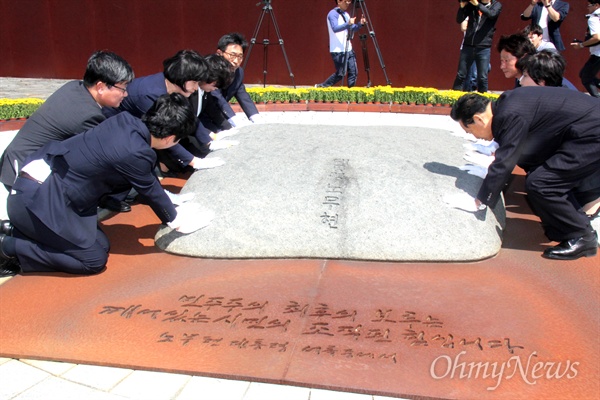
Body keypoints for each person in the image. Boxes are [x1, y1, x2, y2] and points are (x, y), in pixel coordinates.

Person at [0, 93, 211, 277]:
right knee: (92, 260)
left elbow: (147, 180)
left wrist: (172, 203)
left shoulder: (125, 121)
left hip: (47, 189)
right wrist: (177, 221)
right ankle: (8, 247)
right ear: (170, 138)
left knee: (102, 244)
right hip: (37, 201)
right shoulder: (136, 152)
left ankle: (14, 230)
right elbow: (150, 191)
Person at [448, 89, 600, 260]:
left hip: (592, 133)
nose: (473, 136)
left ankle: (582, 236)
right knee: (538, 171)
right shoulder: (506, 104)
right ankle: (565, 226)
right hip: (584, 128)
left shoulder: (510, 115)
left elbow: (505, 162)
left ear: (478, 119)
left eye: (469, 131)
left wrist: (478, 201)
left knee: (541, 183)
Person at [0, 51, 134, 193]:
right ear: (100, 87)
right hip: (26, 173)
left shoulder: (75, 87)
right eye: (123, 88)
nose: (125, 94)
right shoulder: (88, 115)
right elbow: (105, 152)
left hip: (17, 158)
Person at [107, 50, 234, 174]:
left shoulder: (176, 87)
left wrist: (209, 141)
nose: (196, 88)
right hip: (118, 130)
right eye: (194, 82)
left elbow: (189, 115)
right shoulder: (150, 96)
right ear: (182, 77)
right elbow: (165, 135)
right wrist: (195, 162)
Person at [199, 32, 263, 132]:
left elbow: (242, 94)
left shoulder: (238, 72)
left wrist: (255, 117)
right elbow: (217, 96)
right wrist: (234, 119)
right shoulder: (210, 69)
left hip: (220, 116)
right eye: (232, 55)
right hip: (203, 116)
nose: (236, 61)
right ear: (219, 53)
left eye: (240, 56)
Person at [452, 0, 502, 93]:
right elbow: (459, 19)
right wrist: (462, 7)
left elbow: (491, 14)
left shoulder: (496, 5)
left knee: (482, 77)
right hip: (468, 45)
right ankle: (454, 99)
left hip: (483, 47)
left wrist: (477, 5)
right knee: (461, 74)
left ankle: (482, 100)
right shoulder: (472, 5)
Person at [315, 0, 366, 88]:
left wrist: (360, 24)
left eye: (349, 1)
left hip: (348, 48)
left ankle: (351, 92)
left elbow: (352, 28)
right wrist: (348, 23)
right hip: (338, 50)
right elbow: (335, 28)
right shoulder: (332, 14)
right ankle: (322, 86)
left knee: (353, 71)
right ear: (339, 1)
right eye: (346, 1)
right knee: (341, 73)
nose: (348, 3)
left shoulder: (346, 15)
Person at [570, 0, 600, 97]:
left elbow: (597, 37)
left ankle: (597, 100)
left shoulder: (593, 19)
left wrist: (581, 45)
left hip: (598, 53)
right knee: (584, 74)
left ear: (596, 5)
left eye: (589, 5)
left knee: (586, 78)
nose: (588, 7)